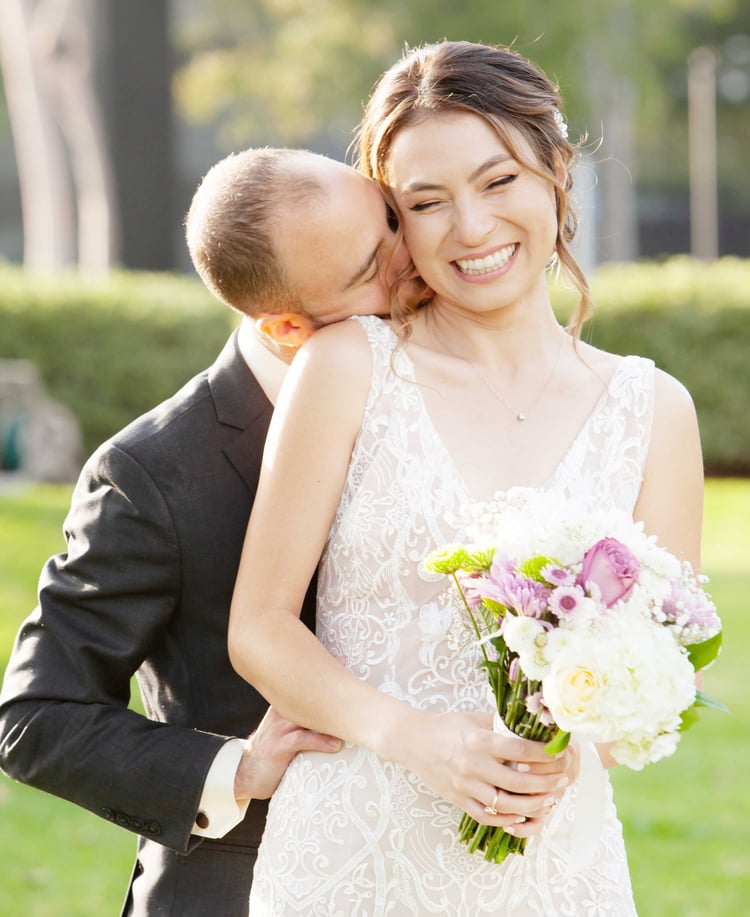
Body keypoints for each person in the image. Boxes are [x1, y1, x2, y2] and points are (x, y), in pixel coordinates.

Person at [227, 41, 704, 915]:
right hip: (348, 856)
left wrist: (568, 745)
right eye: (426, 203)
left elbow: (667, 659)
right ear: (395, 223)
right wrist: (409, 737)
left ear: (555, 170)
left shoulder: (655, 409)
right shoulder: (345, 366)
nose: (472, 229)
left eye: (498, 181)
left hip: (553, 862)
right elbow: (259, 627)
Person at [0, 147, 411, 916]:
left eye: (390, 219)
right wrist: (236, 769)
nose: (413, 260)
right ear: (286, 323)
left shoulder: (445, 376)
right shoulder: (151, 471)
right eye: (371, 269)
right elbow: (35, 715)